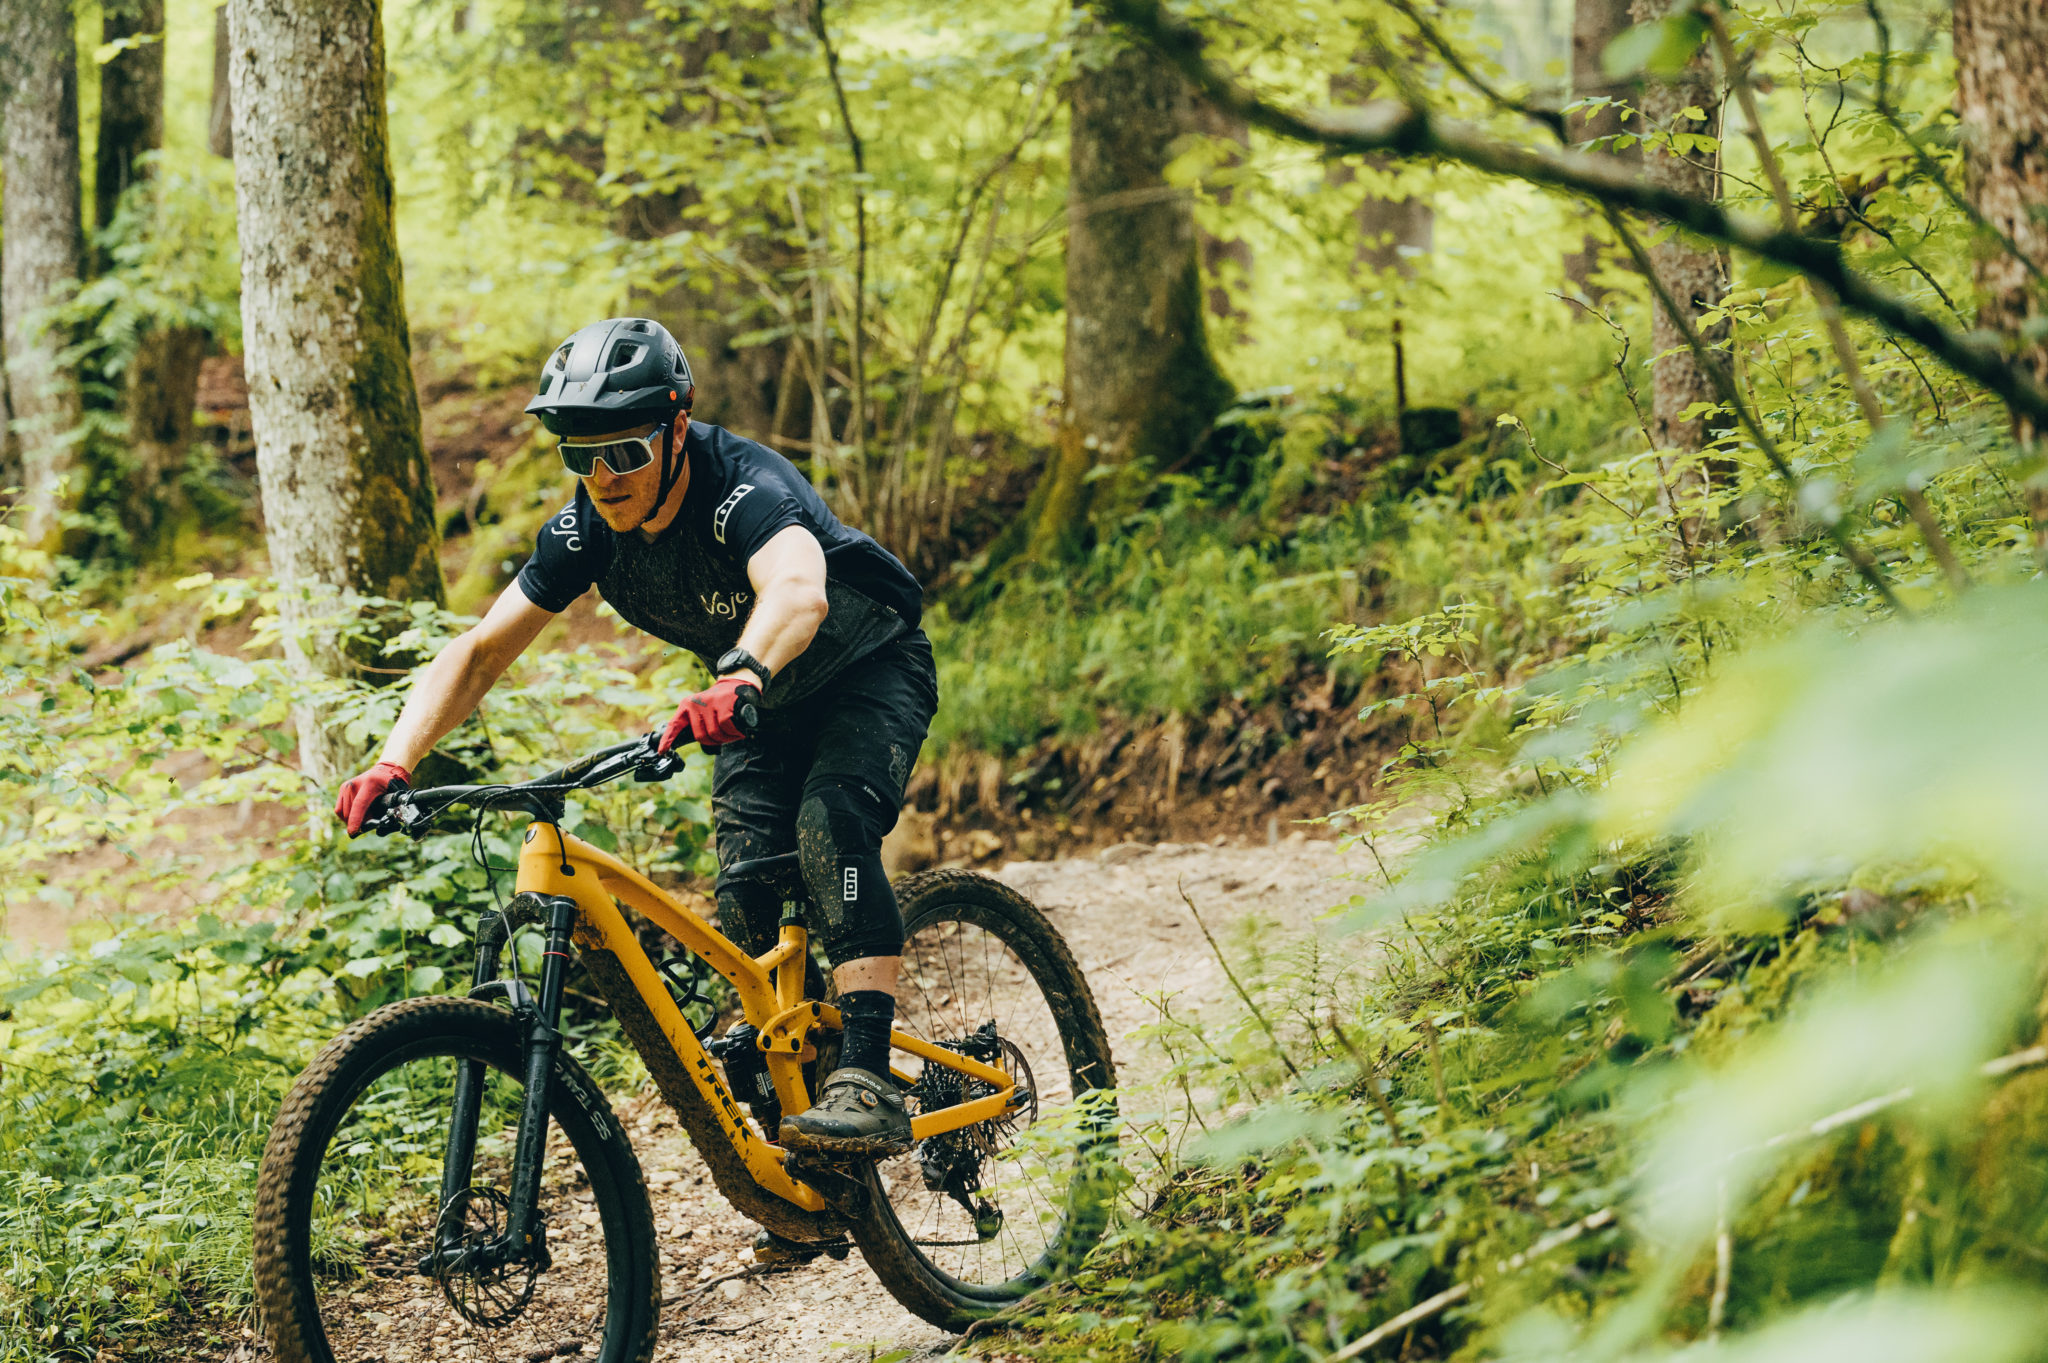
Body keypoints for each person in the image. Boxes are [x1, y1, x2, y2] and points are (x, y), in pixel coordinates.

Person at [333, 316, 933, 1162]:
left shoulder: (745, 489)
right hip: (754, 702)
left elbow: (799, 590)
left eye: (624, 452)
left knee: (829, 825)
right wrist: (394, 758)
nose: (604, 478)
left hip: (866, 668)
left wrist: (740, 673)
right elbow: (480, 651)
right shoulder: (587, 529)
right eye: (580, 457)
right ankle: (804, 1128)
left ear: (677, 429)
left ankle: (867, 1072)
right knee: (745, 892)